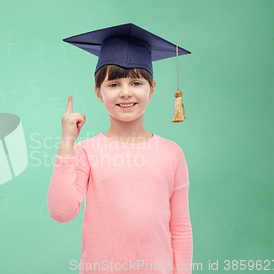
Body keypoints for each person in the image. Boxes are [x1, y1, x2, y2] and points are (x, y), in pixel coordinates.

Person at [47, 23, 193, 274]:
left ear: (152, 88)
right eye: (113, 84)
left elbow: (180, 228)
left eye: (136, 82)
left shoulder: (172, 153)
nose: (125, 92)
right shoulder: (86, 151)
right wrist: (67, 143)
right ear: (98, 92)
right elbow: (61, 212)